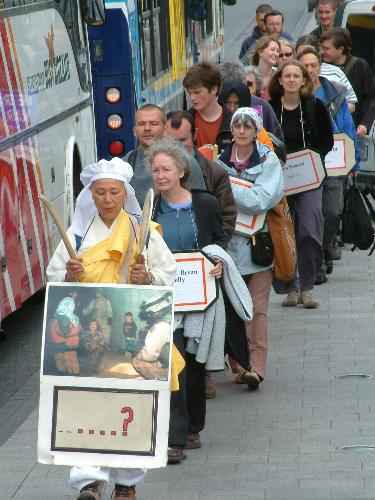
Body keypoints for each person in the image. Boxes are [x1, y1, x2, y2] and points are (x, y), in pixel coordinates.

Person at [46, 157, 177, 500]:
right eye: (100, 192)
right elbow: (53, 279)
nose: (107, 198)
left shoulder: (142, 232)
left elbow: (169, 275)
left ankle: (126, 482)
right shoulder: (76, 234)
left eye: (113, 192)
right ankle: (88, 479)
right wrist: (68, 276)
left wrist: (147, 277)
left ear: (124, 194)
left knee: (130, 405)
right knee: (86, 405)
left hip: (129, 334)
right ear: (91, 194)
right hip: (88, 337)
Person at [149, 138, 226, 462]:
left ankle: (194, 424)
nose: (160, 175)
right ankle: (175, 437)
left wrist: (219, 262)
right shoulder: (149, 209)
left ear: (182, 171)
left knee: (194, 364)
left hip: (201, 296)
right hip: (166, 298)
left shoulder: (205, 204)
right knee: (174, 362)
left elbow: (220, 239)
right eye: (155, 170)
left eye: (166, 169)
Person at [218, 107, 284, 390]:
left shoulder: (269, 161)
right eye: (237, 125)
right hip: (227, 248)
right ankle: (239, 364)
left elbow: (262, 199)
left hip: (259, 247)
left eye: (248, 125)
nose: (242, 130)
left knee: (257, 311)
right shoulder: (219, 163)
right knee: (232, 309)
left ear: (257, 130)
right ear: (232, 130)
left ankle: (256, 367)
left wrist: (230, 190)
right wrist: (244, 190)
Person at [269, 61, 334, 308]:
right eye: (288, 75)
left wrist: (311, 161)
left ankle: (307, 285)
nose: (293, 80)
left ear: (304, 80)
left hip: (310, 177)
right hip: (280, 178)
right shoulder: (272, 108)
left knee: (309, 227)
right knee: (285, 231)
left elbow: (327, 140)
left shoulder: (315, 106)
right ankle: (290, 287)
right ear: (280, 80)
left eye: (297, 76)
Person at [298, 46, 357, 282]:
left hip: (335, 163)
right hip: (306, 165)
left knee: (332, 211)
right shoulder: (294, 94)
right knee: (311, 214)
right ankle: (317, 261)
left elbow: (347, 128)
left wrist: (354, 162)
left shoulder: (336, 92)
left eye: (314, 65)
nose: (311, 70)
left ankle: (325, 246)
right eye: (306, 66)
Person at [165, 110, 237, 246]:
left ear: (195, 135)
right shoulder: (155, 173)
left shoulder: (215, 173)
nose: (176, 146)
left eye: (182, 140)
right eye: (171, 141)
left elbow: (227, 219)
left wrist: (214, 255)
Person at [320, 28, 375, 137]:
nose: (322, 52)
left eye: (326, 49)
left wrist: (365, 124)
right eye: (322, 48)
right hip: (328, 131)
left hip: (354, 130)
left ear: (340, 49)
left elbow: (371, 98)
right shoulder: (320, 66)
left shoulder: (360, 66)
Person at [296, 35, 357, 112]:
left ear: (318, 53)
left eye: (309, 53)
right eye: (300, 54)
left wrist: (330, 110)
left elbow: (352, 104)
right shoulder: (290, 75)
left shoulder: (335, 72)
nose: (305, 57)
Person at [123, 104, 166, 206]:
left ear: (165, 129)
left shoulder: (184, 162)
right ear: (134, 131)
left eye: (154, 123)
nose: (147, 128)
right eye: (141, 124)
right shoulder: (125, 164)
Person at [183, 62, 231, 152]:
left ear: (214, 89)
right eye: (190, 93)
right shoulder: (185, 121)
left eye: (197, 92)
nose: (192, 98)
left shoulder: (233, 121)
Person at [252, 35, 280, 100]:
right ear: (260, 52)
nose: (276, 54)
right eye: (272, 50)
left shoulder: (278, 75)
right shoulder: (249, 74)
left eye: (278, 51)